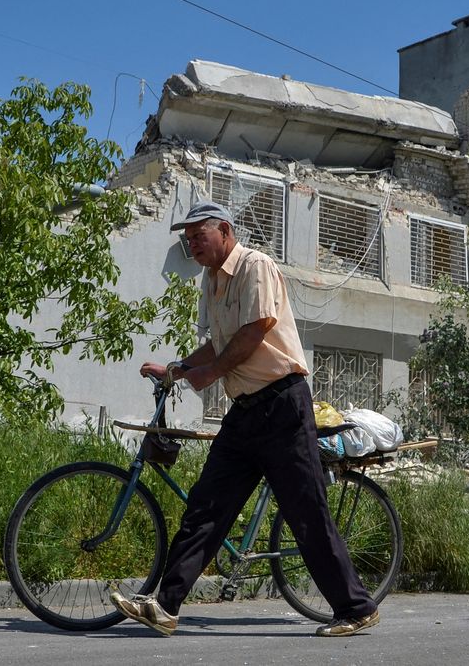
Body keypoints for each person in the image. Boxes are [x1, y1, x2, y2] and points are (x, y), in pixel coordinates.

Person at [110, 202, 380, 638]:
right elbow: (218, 346)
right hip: (245, 412)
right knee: (207, 506)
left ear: (225, 232)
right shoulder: (211, 280)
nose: (193, 244)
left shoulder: (256, 266)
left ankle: (356, 607)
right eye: (189, 238)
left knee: (305, 511)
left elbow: (255, 332)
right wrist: (177, 369)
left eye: (200, 235)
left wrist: (207, 376)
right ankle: (165, 606)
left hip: (283, 406)